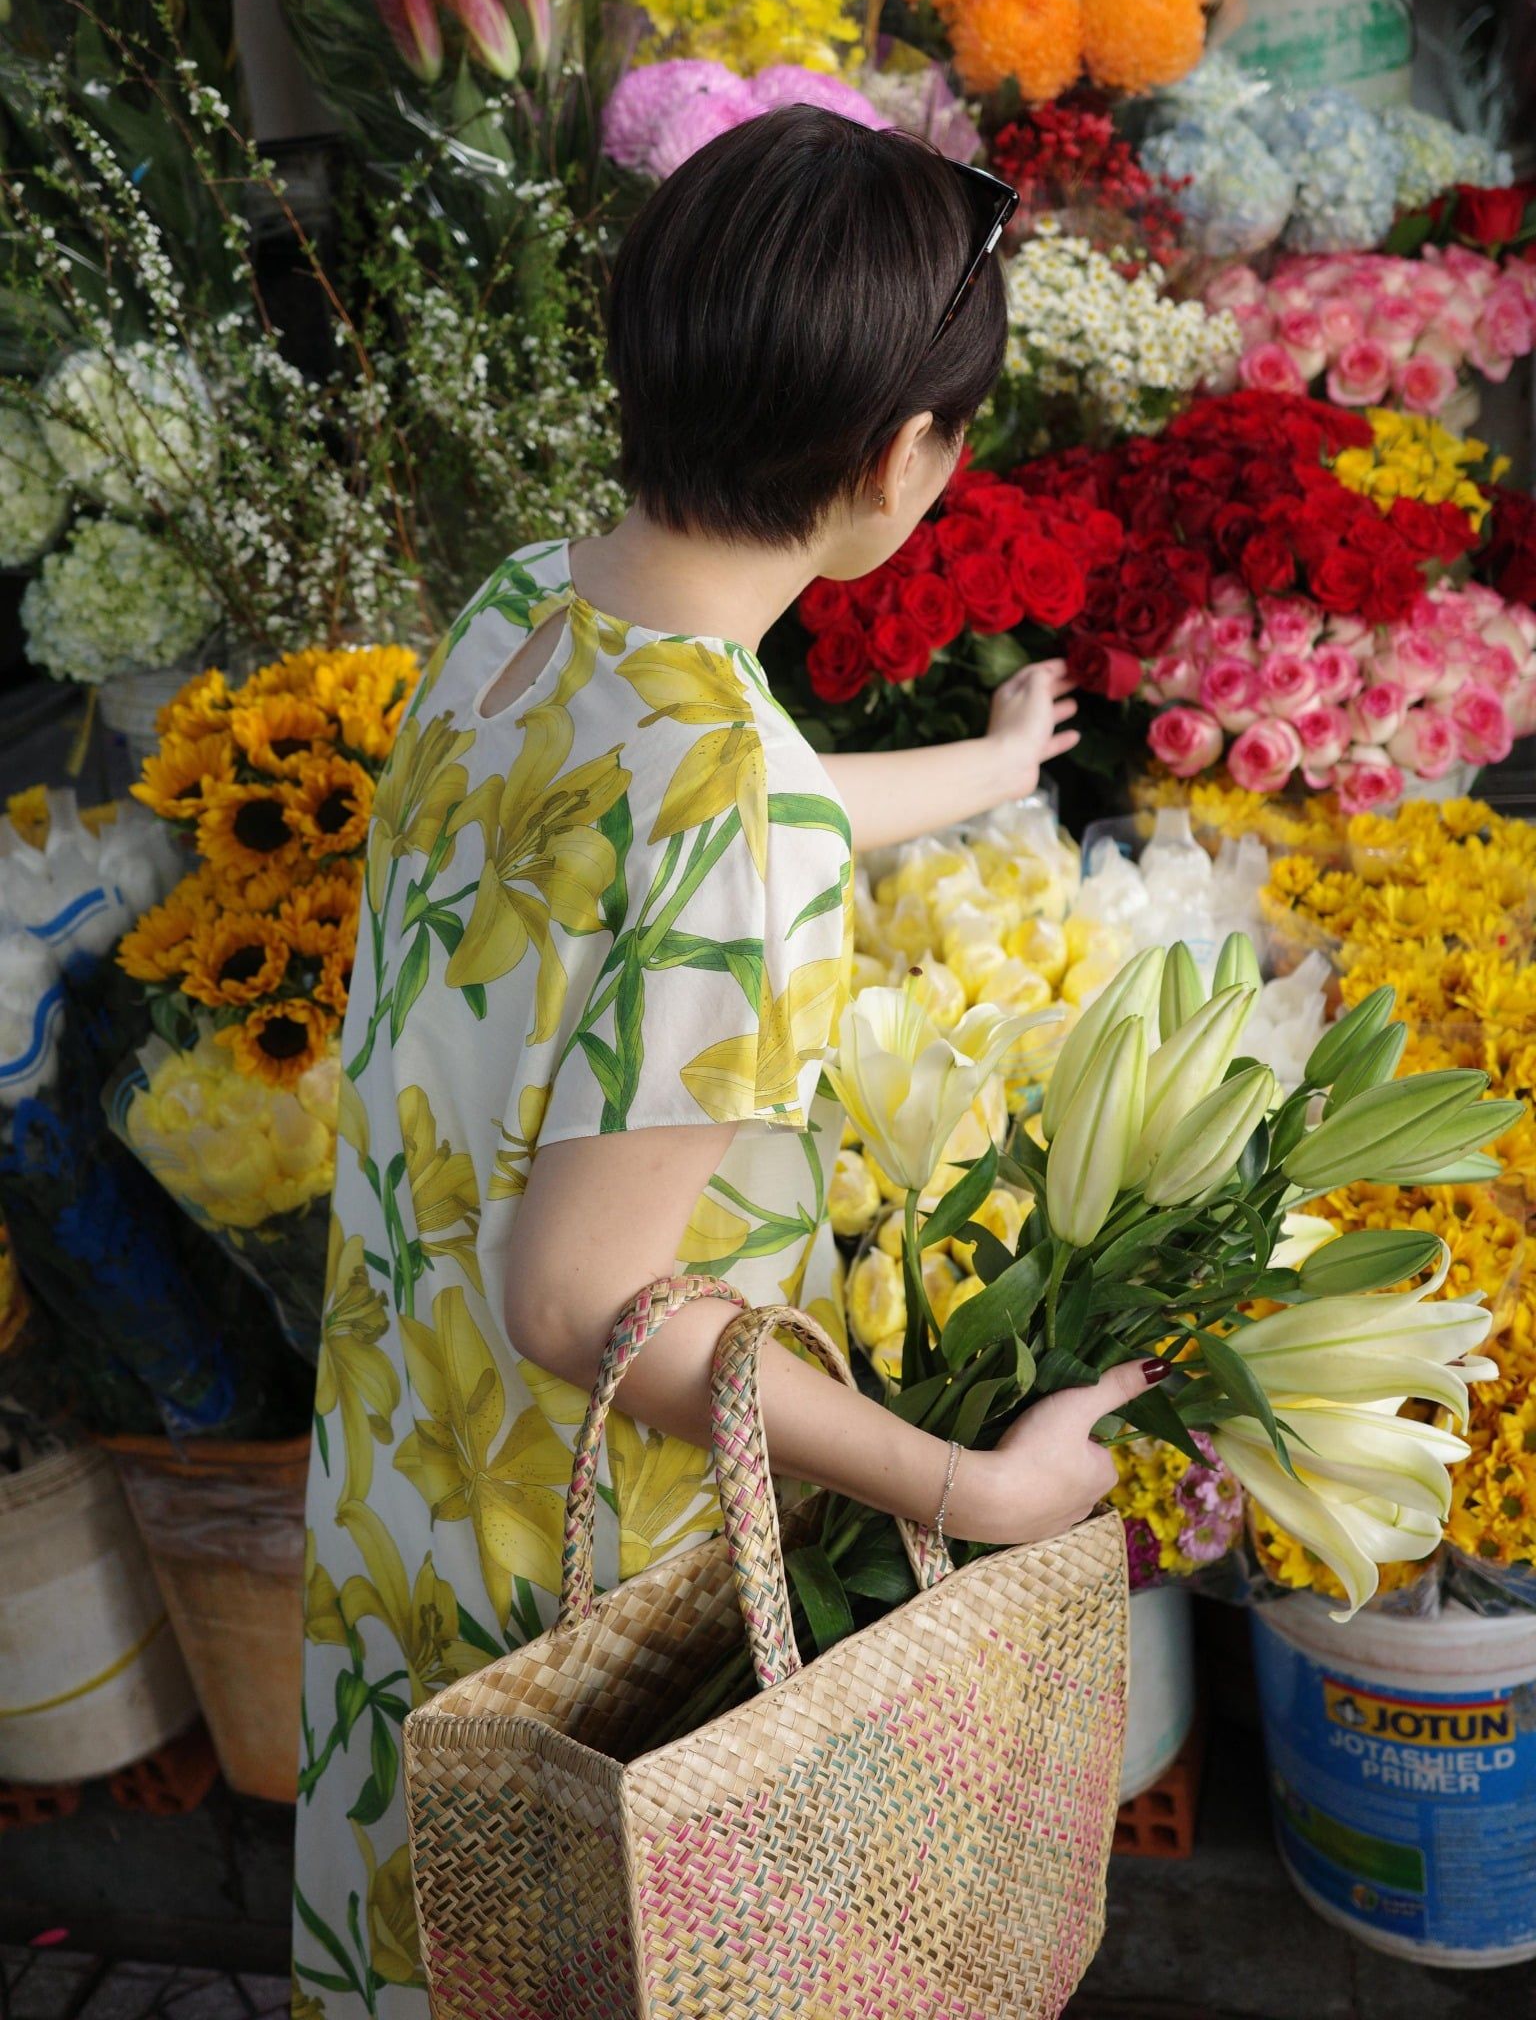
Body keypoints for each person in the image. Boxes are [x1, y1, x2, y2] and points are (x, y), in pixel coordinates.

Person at [294, 103, 1156, 2017]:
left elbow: (689, 821)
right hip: (578, 1558)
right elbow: (584, 1303)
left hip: (404, 1462)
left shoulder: (534, 606)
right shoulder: (736, 816)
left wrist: (996, 774)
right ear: (894, 457)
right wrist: (968, 1492)